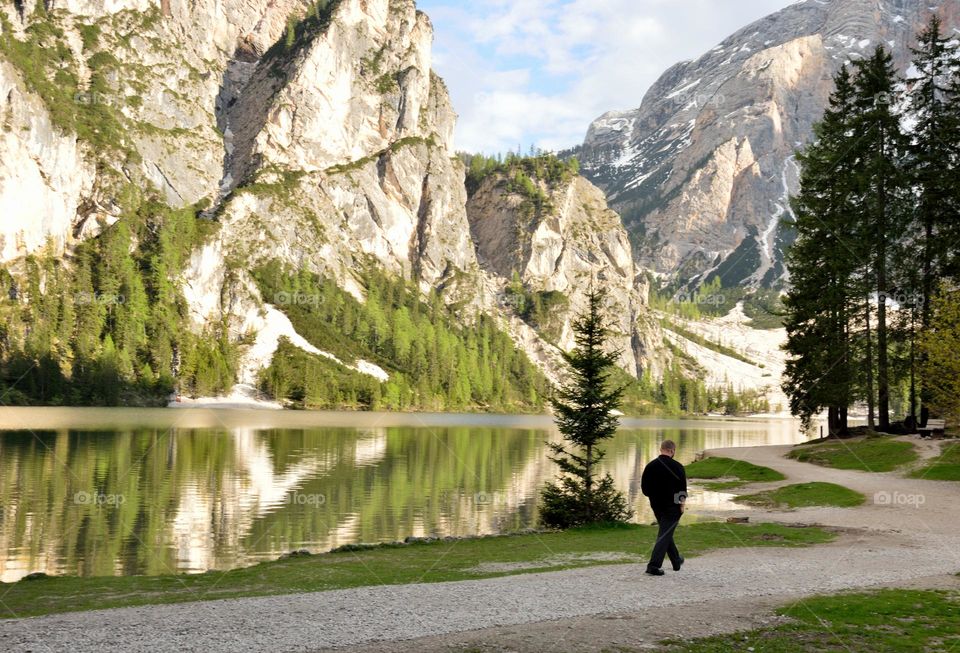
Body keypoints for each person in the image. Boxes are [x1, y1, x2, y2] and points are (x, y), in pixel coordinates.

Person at [640, 440, 687, 576]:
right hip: (672, 506)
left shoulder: (650, 466)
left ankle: (676, 560)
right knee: (665, 533)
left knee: (666, 532)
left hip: (656, 505)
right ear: (672, 451)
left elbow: (645, 489)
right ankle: (653, 566)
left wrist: (654, 497)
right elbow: (681, 490)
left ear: (661, 449)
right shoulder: (678, 466)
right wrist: (681, 505)